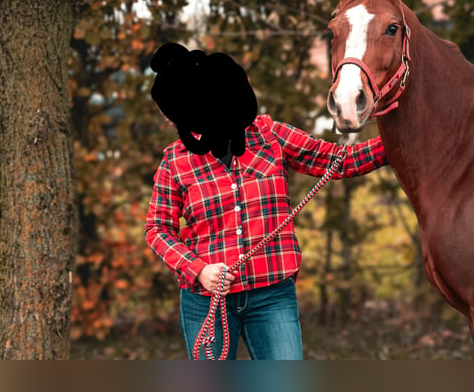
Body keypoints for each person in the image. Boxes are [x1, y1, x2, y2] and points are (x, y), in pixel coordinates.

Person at [145, 42, 388, 360]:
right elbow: (157, 229)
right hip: (206, 302)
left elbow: (336, 159)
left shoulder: (270, 135)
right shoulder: (174, 162)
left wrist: (398, 145)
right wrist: (198, 269)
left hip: (272, 295)